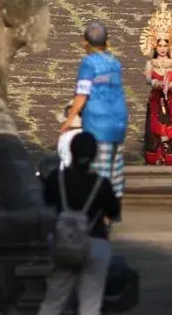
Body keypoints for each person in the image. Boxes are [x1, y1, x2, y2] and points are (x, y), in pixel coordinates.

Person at [36, 132, 121, 315]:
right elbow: (114, 212)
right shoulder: (102, 184)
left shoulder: (55, 179)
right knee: (90, 304)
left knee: (53, 301)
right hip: (95, 241)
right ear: (94, 155)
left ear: (71, 151)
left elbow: (47, 203)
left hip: (63, 242)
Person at [60, 21, 129, 198]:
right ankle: (113, 207)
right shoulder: (115, 63)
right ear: (107, 42)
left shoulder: (89, 64)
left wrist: (69, 119)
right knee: (116, 167)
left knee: (100, 170)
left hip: (99, 123)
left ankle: (99, 209)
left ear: (85, 43)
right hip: (118, 121)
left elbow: (82, 94)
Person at [140, 3, 172, 166]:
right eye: (160, 45)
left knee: (169, 130)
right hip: (156, 101)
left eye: (165, 45)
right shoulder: (151, 63)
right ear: (154, 45)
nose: (163, 49)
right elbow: (147, 79)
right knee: (154, 129)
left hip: (169, 102)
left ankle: (168, 156)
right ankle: (154, 155)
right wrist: (155, 82)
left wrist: (171, 85)